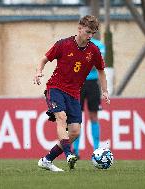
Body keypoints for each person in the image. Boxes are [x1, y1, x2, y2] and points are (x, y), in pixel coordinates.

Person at [33, 15, 110, 172]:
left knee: (74, 131)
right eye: (88, 32)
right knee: (61, 117)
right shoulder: (63, 44)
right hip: (55, 88)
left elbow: (101, 71)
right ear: (79, 28)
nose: (90, 36)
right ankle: (69, 154)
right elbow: (43, 59)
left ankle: (47, 160)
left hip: (74, 93)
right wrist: (39, 72)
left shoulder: (94, 50)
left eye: (93, 33)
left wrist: (105, 90)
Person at [73, 38, 105, 159]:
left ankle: (96, 151)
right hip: (78, 83)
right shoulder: (74, 44)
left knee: (93, 116)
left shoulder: (99, 46)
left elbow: (95, 65)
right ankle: (75, 151)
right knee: (77, 117)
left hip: (92, 84)